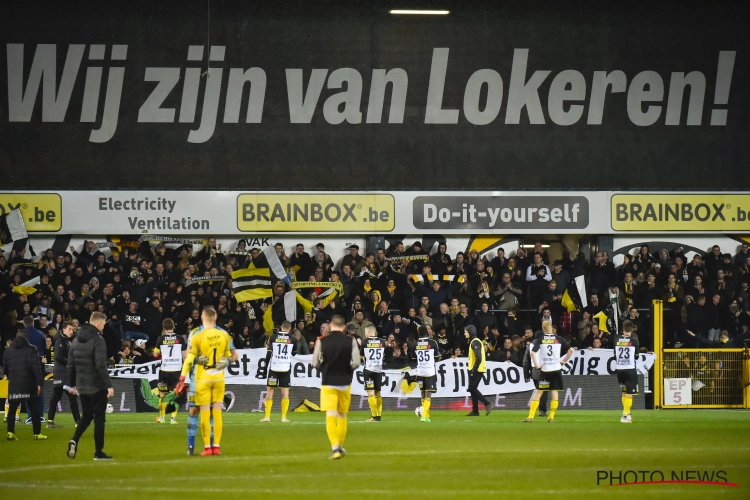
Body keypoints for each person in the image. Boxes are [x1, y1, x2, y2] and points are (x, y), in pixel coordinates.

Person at [176, 307, 232, 456]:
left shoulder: (221, 333)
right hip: (201, 378)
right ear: (215, 317)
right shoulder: (195, 333)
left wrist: (182, 377)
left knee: (209, 412)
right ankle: (192, 447)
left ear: (202, 317)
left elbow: (233, 355)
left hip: (202, 378)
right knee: (194, 410)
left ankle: (210, 446)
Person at [66, 312, 115, 460]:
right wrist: (109, 386)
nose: (104, 326)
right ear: (99, 323)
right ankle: (98, 452)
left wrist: (72, 385)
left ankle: (74, 440)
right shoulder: (98, 340)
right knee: (99, 418)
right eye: (104, 323)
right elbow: (100, 365)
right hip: (97, 385)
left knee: (87, 415)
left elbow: (70, 365)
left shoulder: (75, 340)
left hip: (82, 385)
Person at [312, 315, 360, 460]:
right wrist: (348, 370)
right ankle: (340, 446)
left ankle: (335, 448)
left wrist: (323, 369)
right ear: (344, 327)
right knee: (342, 416)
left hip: (328, 382)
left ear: (331, 326)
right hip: (345, 383)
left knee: (331, 415)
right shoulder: (351, 341)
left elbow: (314, 363)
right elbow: (356, 362)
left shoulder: (322, 341)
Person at [523, 321, 573, 423]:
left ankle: (531, 416)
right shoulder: (558, 339)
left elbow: (533, 353)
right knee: (554, 391)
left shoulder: (541, 339)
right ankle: (551, 417)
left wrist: (537, 365)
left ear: (543, 329)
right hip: (556, 370)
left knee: (538, 392)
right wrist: (564, 361)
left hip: (545, 370)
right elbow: (571, 350)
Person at [4, 328, 45, 440]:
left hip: (14, 384)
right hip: (29, 384)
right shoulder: (32, 349)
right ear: (27, 338)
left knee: (12, 409)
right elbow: (36, 368)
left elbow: (5, 369)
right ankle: (37, 433)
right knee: (34, 409)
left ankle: (10, 433)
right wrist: (39, 383)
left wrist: (12, 377)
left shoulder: (8, 351)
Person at [47, 321, 81, 428]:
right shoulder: (60, 341)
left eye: (73, 329)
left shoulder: (66, 340)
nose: (72, 331)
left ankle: (50, 421)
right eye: (70, 329)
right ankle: (78, 421)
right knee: (72, 397)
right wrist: (70, 364)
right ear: (64, 329)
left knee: (56, 397)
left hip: (61, 373)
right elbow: (58, 357)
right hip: (63, 373)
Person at [261, 321, 296, 423]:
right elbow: (294, 353)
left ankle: (267, 417)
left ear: (281, 327)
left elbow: (268, 355)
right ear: (289, 329)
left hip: (274, 369)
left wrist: (264, 370)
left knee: (270, 392)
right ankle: (283, 417)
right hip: (285, 369)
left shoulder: (273, 337)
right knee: (285, 393)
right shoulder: (292, 339)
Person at [153, 318, 186, 425]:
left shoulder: (160, 339)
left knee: (162, 394)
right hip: (176, 370)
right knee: (175, 394)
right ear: (173, 327)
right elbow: (185, 356)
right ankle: (173, 419)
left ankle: (162, 418)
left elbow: (155, 354)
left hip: (164, 370)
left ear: (163, 328)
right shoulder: (180, 339)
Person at [410, 325, 442, 423]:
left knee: (423, 393)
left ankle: (426, 415)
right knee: (428, 394)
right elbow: (437, 356)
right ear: (427, 333)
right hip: (429, 372)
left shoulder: (414, 344)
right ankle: (424, 415)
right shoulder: (433, 343)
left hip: (420, 372)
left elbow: (413, 359)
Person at [613, 320, 640, 423]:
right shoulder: (634, 341)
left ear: (623, 329)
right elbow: (637, 357)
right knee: (629, 393)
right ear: (632, 329)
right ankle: (625, 415)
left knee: (624, 392)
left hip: (619, 370)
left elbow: (615, 356)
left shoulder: (616, 340)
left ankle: (627, 414)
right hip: (630, 369)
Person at [464, 325, 493, 416]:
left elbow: (479, 358)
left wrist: (473, 370)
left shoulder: (475, 342)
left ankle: (487, 403)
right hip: (476, 368)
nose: (464, 333)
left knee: (472, 388)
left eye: (466, 332)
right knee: (473, 389)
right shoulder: (475, 341)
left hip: (477, 369)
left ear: (471, 332)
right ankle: (475, 410)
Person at [361, 325, 385, 422]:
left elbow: (361, 355)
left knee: (370, 393)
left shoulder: (365, 342)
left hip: (369, 370)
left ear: (369, 332)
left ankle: (374, 416)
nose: (365, 334)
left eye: (366, 332)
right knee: (378, 392)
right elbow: (383, 355)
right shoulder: (382, 342)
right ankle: (379, 415)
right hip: (378, 370)